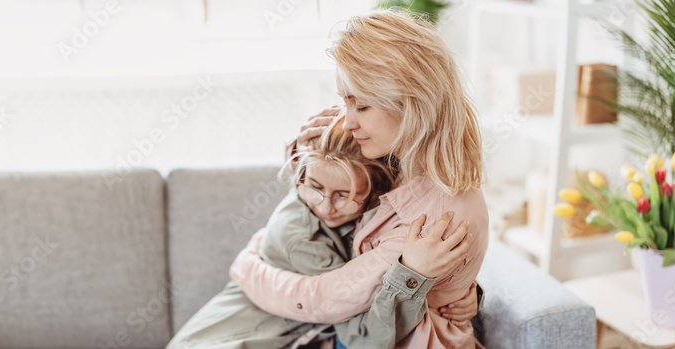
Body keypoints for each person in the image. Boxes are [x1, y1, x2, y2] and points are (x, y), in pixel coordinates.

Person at [229, 9, 489, 348]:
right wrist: (307, 152)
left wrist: (248, 267)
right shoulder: (401, 154)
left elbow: (325, 299)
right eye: (345, 102)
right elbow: (333, 197)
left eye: (361, 106)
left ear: (414, 105)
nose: (347, 121)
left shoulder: (432, 218)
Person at [167, 117, 476, 349]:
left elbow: (377, 276)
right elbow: (364, 338)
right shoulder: (300, 239)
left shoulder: (375, 217)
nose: (326, 207)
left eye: (343, 194)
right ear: (301, 176)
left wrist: (453, 294)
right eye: (314, 188)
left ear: (376, 189)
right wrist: (415, 275)